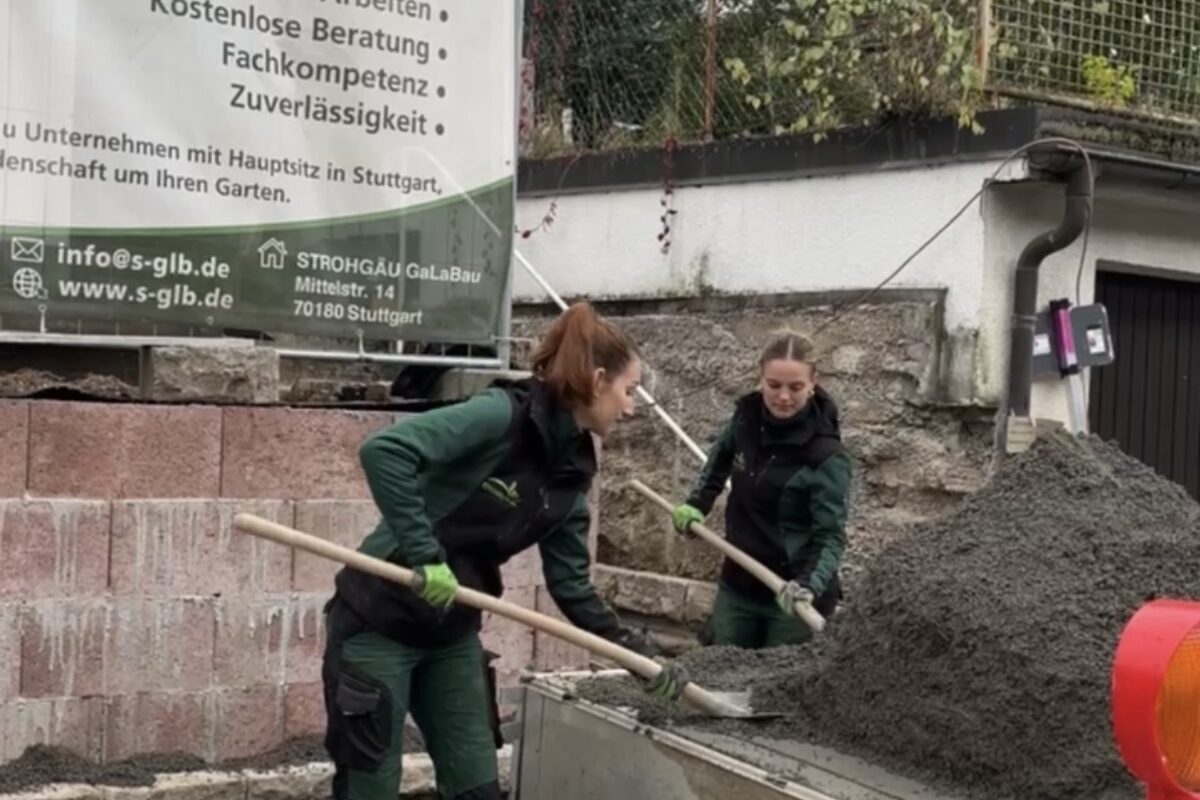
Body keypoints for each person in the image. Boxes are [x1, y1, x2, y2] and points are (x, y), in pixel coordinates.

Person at [321, 302, 686, 800]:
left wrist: (637, 652)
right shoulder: (501, 417)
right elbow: (385, 453)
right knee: (371, 786)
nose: (631, 407)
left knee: (477, 787)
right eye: (629, 390)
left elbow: (573, 588)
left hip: (452, 633)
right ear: (599, 379)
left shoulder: (571, 476)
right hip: (378, 619)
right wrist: (426, 556)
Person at [672, 330, 853, 649]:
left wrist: (807, 585)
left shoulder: (826, 456)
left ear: (814, 383)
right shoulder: (746, 419)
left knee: (774, 688)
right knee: (718, 675)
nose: (783, 396)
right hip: (739, 586)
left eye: (795, 387)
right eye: (774, 385)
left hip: (792, 598)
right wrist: (697, 504)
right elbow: (719, 460)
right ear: (761, 378)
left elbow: (830, 536)